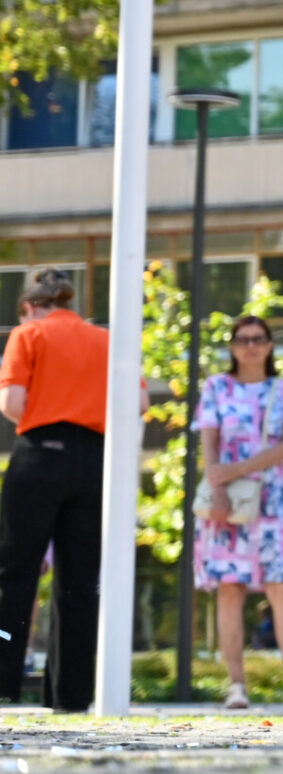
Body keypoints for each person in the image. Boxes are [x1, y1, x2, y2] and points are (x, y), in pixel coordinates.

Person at [0, 270, 143, 712]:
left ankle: (3, 681)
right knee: (80, 582)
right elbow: (138, 405)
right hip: (94, 459)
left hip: (40, 452)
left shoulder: (28, 334)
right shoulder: (106, 340)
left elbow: (12, 404)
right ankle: (72, 694)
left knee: (15, 574)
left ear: (29, 306)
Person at [192, 316, 283, 709]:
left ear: (270, 345)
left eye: (258, 339)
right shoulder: (216, 387)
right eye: (242, 339)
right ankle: (235, 685)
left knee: (280, 589)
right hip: (227, 500)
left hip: (269, 500)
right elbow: (209, 441)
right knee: (229, 589)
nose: (251, 346)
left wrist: (234, 470)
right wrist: (217, 486)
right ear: (233, 347)